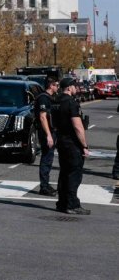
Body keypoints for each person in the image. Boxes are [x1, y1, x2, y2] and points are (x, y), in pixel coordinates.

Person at [53, 77, 90, 215]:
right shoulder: (71, 103)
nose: (76, 88)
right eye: (74, 86)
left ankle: (62, 203)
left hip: (61, 140)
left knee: (64, 173)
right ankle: (72, 204)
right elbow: (78, 127)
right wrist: (84, 145)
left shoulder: (56, 102)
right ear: (69, 87)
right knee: (74, 174)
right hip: (72, 142)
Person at [34, 77, 59, 196]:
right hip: (46, 132)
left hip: (52, 131)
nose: (57, 87)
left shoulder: (51, 98)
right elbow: (42, 117)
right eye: (56, 85)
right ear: (51, 86)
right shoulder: (43, 98)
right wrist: (48, 135)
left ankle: (46, 184)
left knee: (49, 158)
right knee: (46, 159)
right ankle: (44, 187)